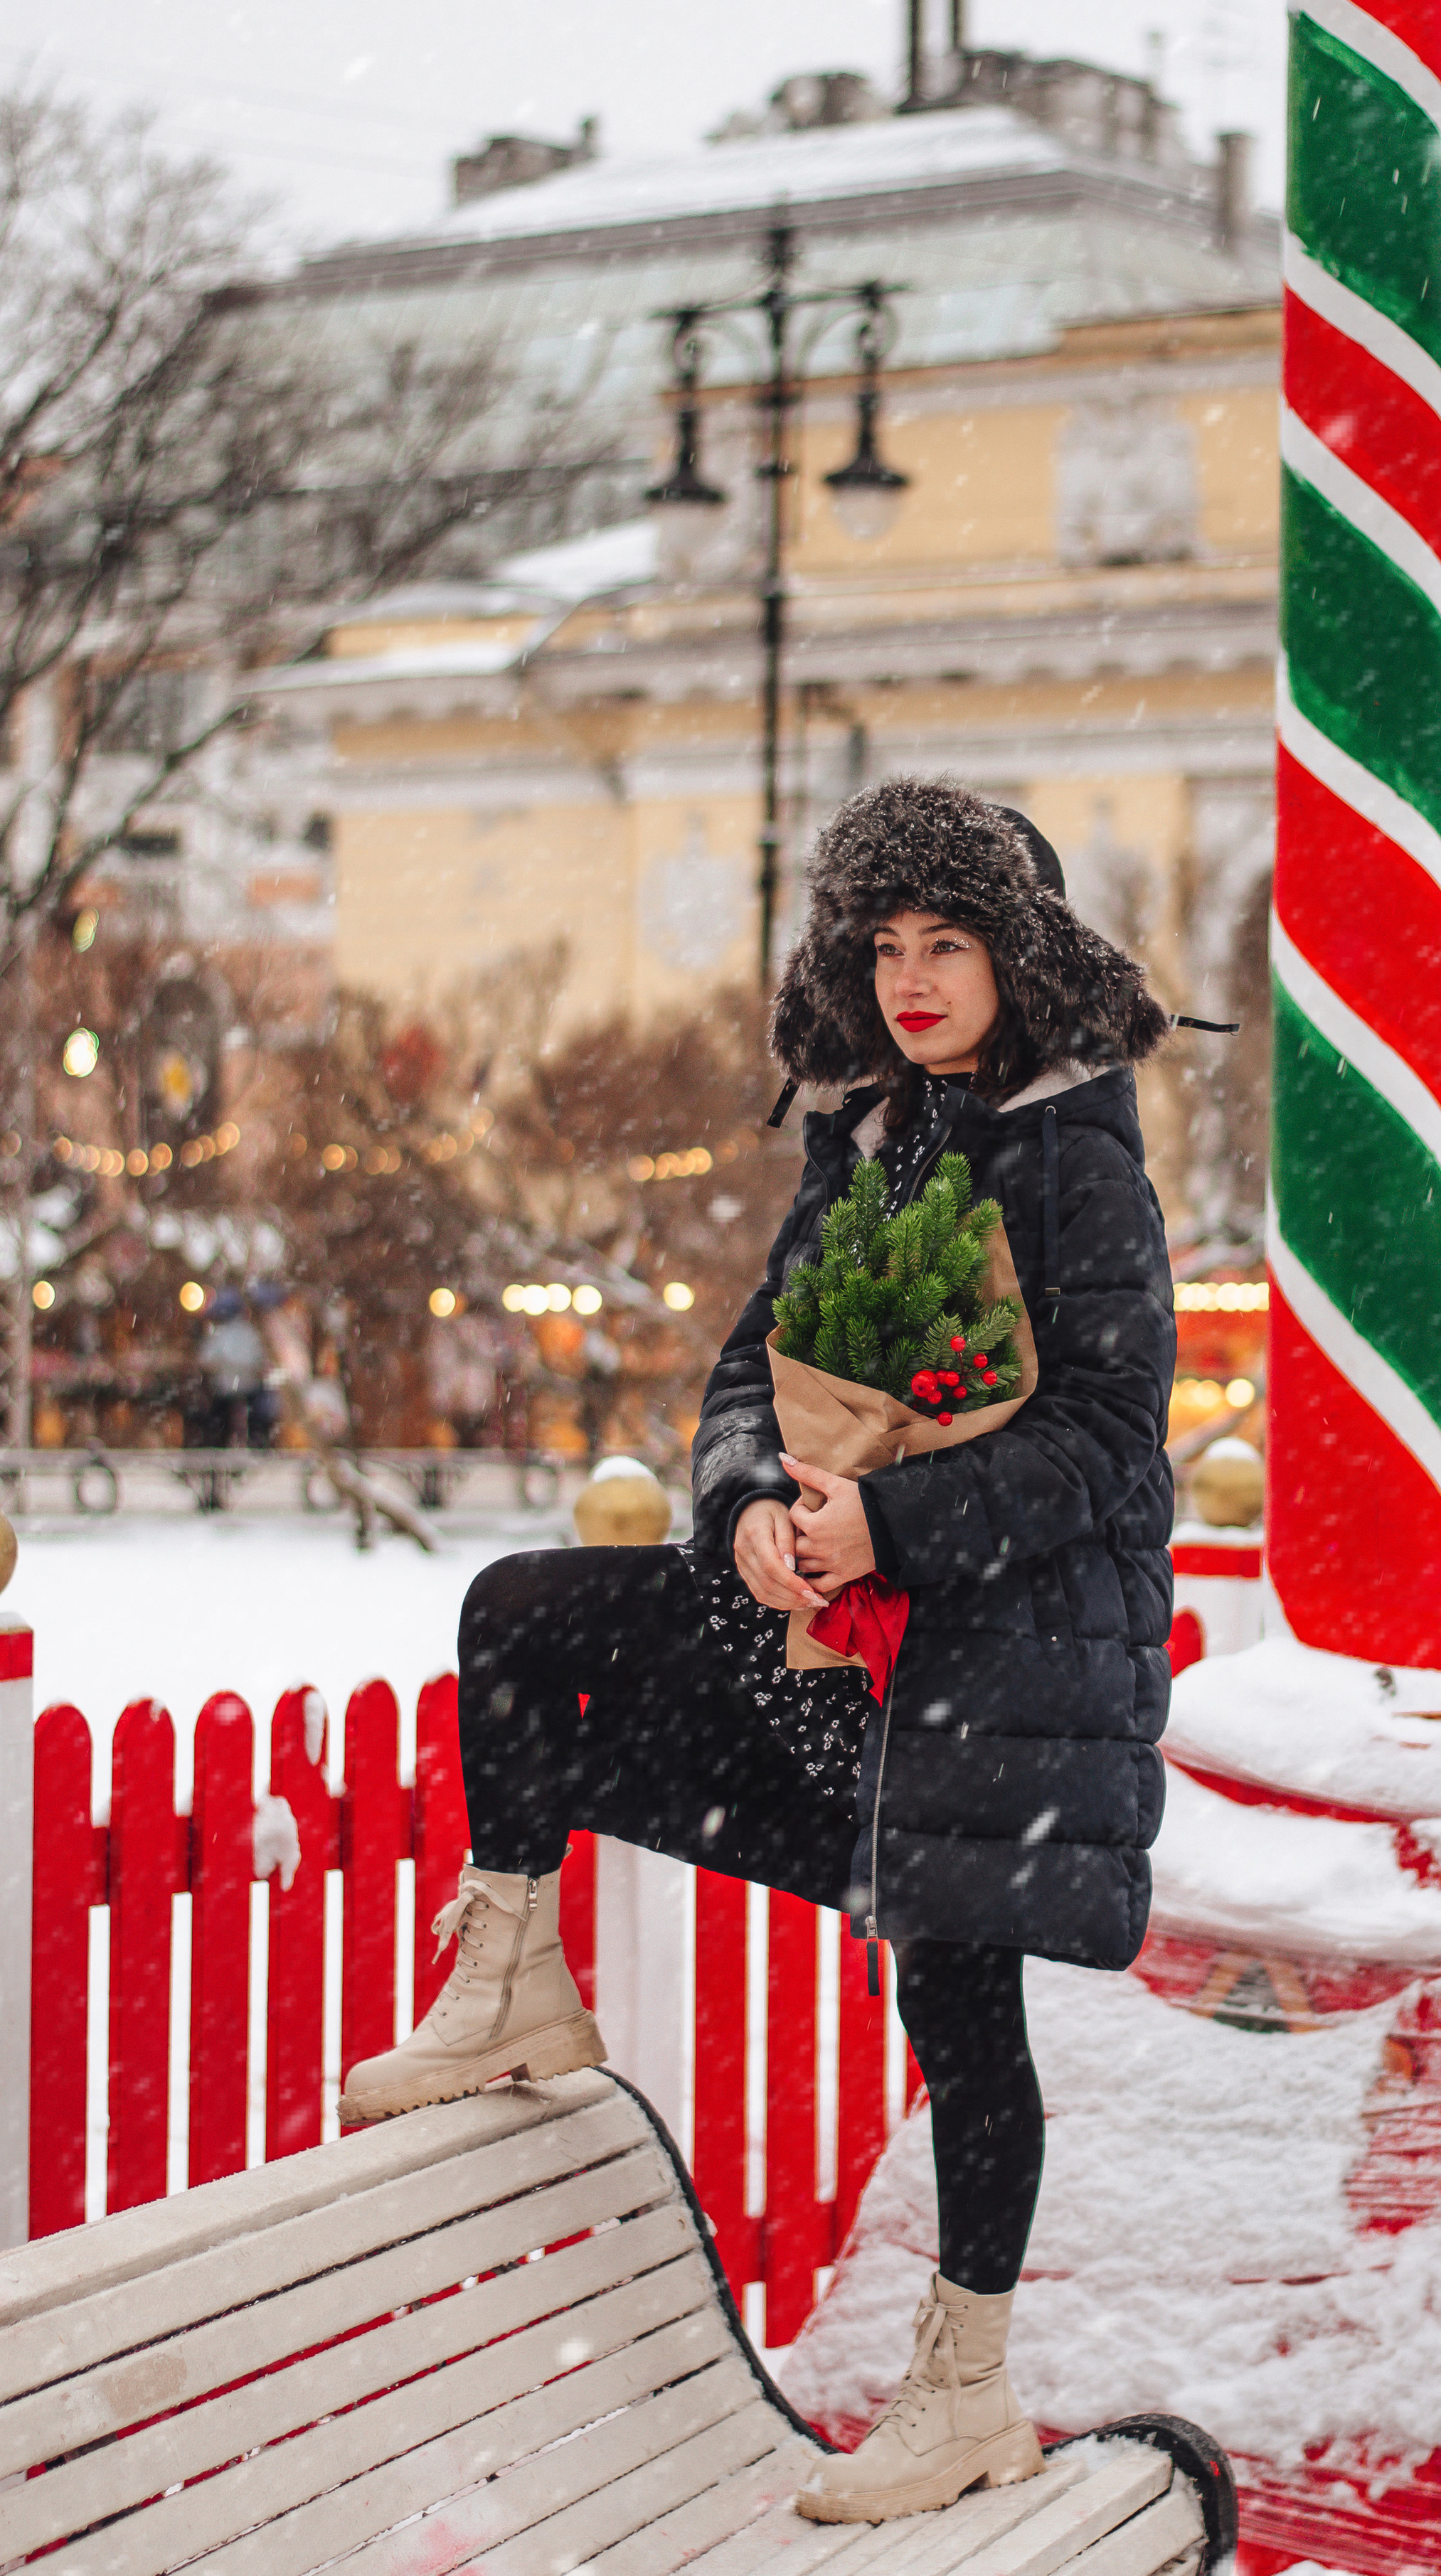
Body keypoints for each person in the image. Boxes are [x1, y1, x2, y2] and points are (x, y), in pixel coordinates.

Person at [339, 781, 1177, 2524]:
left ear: (1012, 955)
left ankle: (964, 2390)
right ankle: (513, 1984)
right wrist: (740, 1512)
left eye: (946, 942)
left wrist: (899, 1525)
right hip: (818, 1630)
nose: (912, 980)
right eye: (883, 946)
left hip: (988, 1663)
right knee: (522, 1620)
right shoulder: (861, 1139)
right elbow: (748, 1371)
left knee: (957, 2015)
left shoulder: (1073, 1146)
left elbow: (1111, 1432)